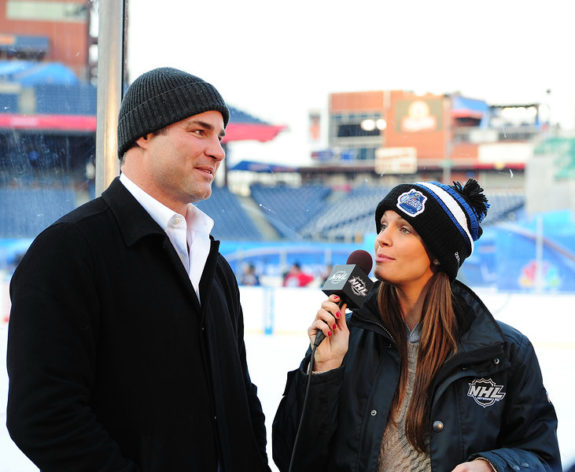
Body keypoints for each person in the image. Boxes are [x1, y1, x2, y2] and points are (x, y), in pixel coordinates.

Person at [7, 67, 271, 472]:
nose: (219, 151)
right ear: (144, 134)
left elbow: (240, 396)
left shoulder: (215, 268)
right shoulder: (69, 250)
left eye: (220, 137)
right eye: (199, 131)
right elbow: (43, 417)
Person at [272, 179, 561, 472]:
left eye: (404, 229)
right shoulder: (345, 337)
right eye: (383, 225)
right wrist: (323, 372)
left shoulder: (505, 351)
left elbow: (542, 458)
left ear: (439, 254)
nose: (382, 239)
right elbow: (290, 457)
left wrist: (492, 466)